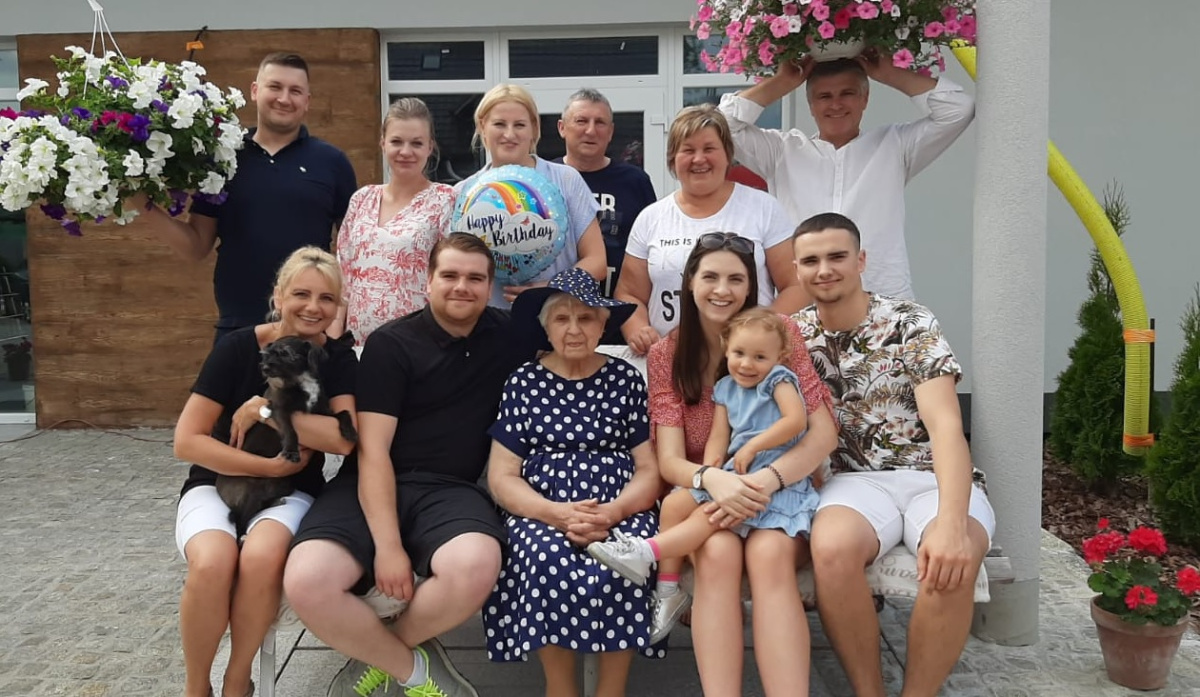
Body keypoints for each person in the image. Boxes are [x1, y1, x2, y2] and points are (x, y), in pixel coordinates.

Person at [282, 233, 530, 697]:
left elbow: (575, 322)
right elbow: (373, 450)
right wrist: (389, 547)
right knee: (308, 580)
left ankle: (380, 652)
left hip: (451, 489)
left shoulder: (510, 335)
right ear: (428, 280)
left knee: (477, 564)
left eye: (475, 278)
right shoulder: (392, 344)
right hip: (372, 481)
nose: (462, 287)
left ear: (489, 286)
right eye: (450, 275)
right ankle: (414, 670)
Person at [790, 212, 996, 697]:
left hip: (929, 474)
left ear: (861, 260)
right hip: (851, 480)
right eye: (811, 261)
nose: (825, 270)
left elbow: (946, 427)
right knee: (832, 550)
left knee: (954, 553)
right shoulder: (792, 335)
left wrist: (951, 524)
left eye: (837, 256)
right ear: (796, 270)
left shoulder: (909, 322)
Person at [646, 235, 837, 696]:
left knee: (769, 556)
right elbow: (670, 460)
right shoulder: (667, 355)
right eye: (710, 277)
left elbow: (822, 433)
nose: (722, 290)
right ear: (690, 282)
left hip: (780, 485)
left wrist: (766, 481)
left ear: (750, 286)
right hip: (712, 495)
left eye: (736, 279)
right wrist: (713, 479)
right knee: (716, 555)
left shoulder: (778, 333)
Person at [173, 246, 359, 697]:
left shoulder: (337, 359)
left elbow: (342, 439)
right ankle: (196, 688)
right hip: (216, 483)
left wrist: (265, 411)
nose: (313, 307)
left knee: (261, 558)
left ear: (338, 305)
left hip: (293, 489)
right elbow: (187, 441)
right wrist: (268, 464)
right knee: (212, 562)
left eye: (326, 298)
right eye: (301, 294)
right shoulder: (238, 348)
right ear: (278, 296)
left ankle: (238, 682)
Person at [588, 307, 818, 645]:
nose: (747, 364)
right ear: (727, 348)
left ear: (780, 356)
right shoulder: (725, 387)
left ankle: (645, 552)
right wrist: (709, 472)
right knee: (674, 505)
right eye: (739, 353)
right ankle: (668, 592)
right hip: (735, 472)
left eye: (759, 357)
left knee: (705, 517)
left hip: (773, 475)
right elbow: (718, 438)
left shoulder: (778, 380)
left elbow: (795, 422)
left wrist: (754, 446)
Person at [484, 267, 662, 697]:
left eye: (586, 318)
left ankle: (611, 691)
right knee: (541, 556)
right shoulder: (524, 382)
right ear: (546, 328)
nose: (574, 329)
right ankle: (560, 688)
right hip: (541, 508)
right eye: (562, 319)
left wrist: (614, 512)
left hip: (620, 506)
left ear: (603, 325)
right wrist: (555, 514)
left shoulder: (625, 380)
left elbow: (648, 469)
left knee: (628, 558)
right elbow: (502, 476)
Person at [718, 52, 975, 300]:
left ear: (865, 98)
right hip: (807, 304)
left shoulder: (894, 145)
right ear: (811, 105)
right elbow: (722, 125)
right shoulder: (781, 151)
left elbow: (958, 109)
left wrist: (890, 73)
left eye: (847, 93)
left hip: (884, 300)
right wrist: (782, 82)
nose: (836, 104)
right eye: (824, 96)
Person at [142, 52, 357, 342]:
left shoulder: (332, 162)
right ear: (255, 91)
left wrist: (335, 326)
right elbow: (196, 247)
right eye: (275, 87)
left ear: (307, 101)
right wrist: (139, 201)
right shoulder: (224, 158)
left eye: (295, 91)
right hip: (238, 330)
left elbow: (352, 256)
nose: (284, 99)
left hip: (309, 331)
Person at [614, 105, 807, 357]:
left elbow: (796, 286)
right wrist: (638, 329)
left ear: (728, 154)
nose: (699, 159)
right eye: (688, 150)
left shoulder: (764, 208)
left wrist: (759, 331)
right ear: (672, 159)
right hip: (672, 361)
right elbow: (629, 293)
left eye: (709, 149)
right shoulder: (651, 218)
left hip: (748, 364)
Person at [454, 84, 607, 308]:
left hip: (556, 318)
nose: (509, 134)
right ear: (482, 126)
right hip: (488, 320)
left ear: (534, 128)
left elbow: (598, 262)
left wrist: (550, 288)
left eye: (519, 125)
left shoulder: (566, 180)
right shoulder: (464, 194)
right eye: (499, 124)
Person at [330, 97, 454, 345]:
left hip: (418, 345)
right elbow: (343, 279)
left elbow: (451, 277)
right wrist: (333, 343)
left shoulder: (445, 200)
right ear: (382, 143)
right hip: (357, 346)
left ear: (430, 147)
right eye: (396, 141)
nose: (405, 152)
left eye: (416, 143)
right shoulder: (361, 199)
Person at [554, 88, 657, 299]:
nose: (591, 130)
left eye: (600, 122)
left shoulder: (635, 181)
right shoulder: (545, 179)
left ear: (610, 132)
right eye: (581, 121)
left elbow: (652, 250)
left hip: (620, 309)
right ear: (562, 128)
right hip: (554, 306)